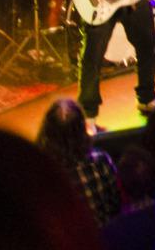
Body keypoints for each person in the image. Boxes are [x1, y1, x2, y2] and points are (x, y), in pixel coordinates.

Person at [34, 97, 125, 228]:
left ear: (47, 131)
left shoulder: (40, 172)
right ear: (82, 129)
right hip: (105, 237)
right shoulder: (100, 161)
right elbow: (116, 202)